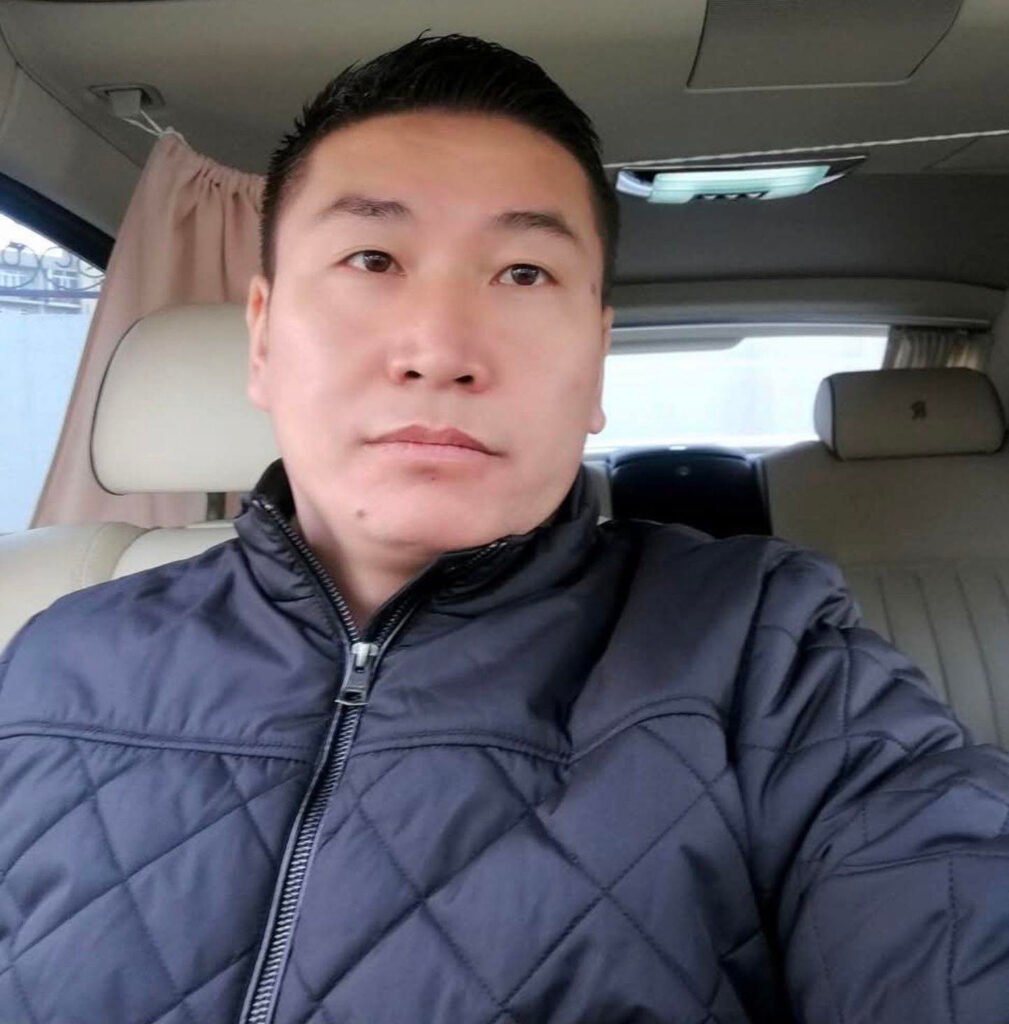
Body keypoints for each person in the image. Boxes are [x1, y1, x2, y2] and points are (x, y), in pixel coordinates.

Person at [1, 33, 1008, 1024]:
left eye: (524, 273)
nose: (440, 349)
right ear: (261, 337)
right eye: (371, 257)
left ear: (596, 360)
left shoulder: (767, 652)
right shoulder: (55, 662)